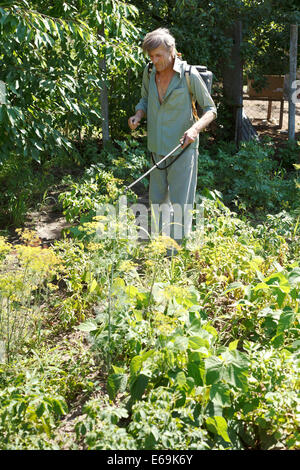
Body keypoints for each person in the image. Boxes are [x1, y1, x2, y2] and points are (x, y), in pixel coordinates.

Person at [128, 28, 217, 245]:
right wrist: (138, 114)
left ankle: (177, 253)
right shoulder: (149, 72)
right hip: (156, 148)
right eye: (150, 56)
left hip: (182, 150)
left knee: (180, 205)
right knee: (157, 203)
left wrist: (195, 129)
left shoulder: (188, 75)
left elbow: (211, 110)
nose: (154, 60)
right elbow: (144, 100)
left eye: (158, 55)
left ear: (172, 51)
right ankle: (160, 250)